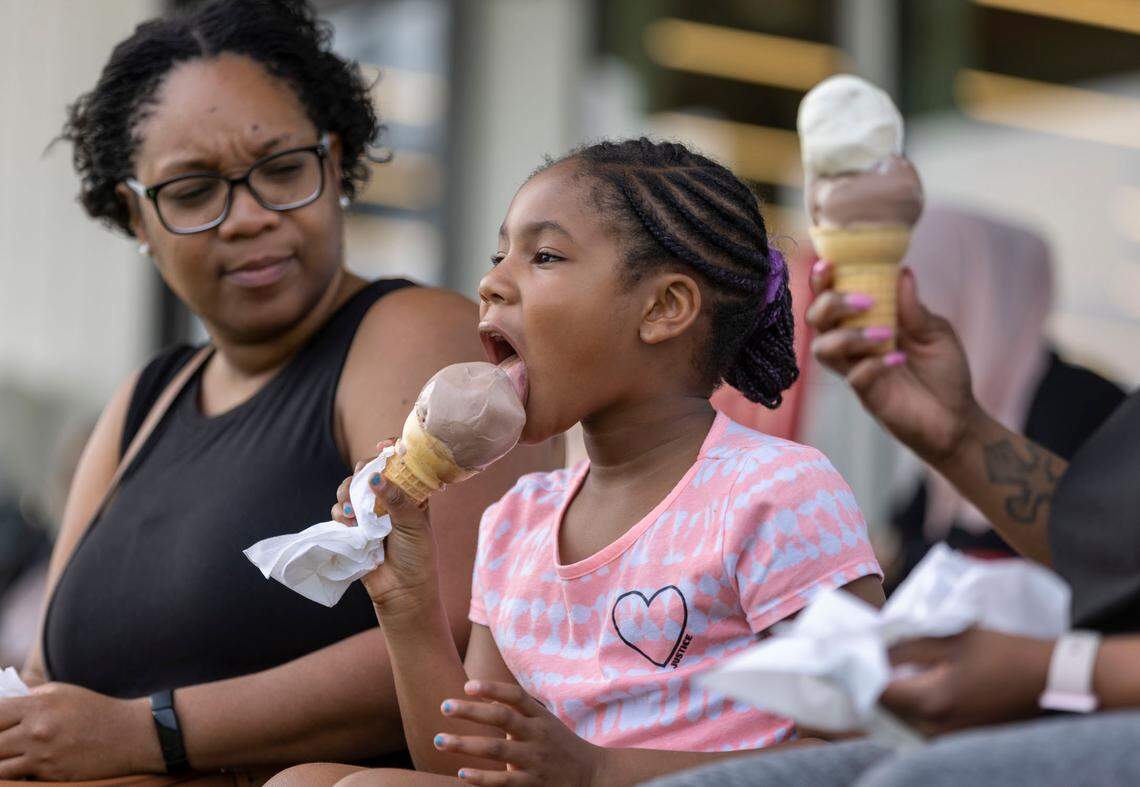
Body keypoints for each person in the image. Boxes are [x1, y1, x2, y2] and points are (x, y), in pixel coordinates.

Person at [14, 0, 559, 781]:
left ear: (335, 164)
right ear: (136, 212)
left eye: (282, 170)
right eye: (195, 190)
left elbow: (464, 639)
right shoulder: (146, 399)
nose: (249, 218)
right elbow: (47, 674)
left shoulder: (411, 337)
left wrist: (152, 731)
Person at [275, 138, 886, 787]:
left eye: (543, 255)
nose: (490, 283)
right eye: (497, 255)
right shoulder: (517, 520)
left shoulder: (778, 492)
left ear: (663, 308)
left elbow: (857, 751)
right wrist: (407, 602)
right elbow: (469, 767)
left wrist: (600, 768)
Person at [640, 239, 1140, 786]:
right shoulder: (538, 498)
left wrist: (1058, 671)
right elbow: (1113, 543)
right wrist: (958, 434)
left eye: (549, 256)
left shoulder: (1079, 401)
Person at [886, 207, 1124, 584]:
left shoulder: (1092, 412)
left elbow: (1105, 559)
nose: (897, 322)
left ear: (984, 296)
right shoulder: (958, 418)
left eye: (922, 293)